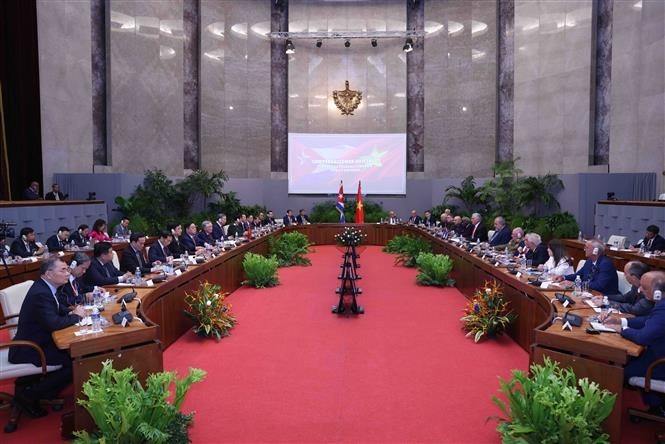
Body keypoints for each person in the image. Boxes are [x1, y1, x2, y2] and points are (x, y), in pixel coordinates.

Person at [8, 257, 85, 417]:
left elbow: (56, 308)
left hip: (40, 340)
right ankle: (28, 396)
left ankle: (42, 390)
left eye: (67, 269)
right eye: (62, 270)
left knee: (74, 355)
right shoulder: (41, 293)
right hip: (29, 347)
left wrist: (70, 311)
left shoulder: (46, 287)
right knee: (75, 362)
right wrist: (76, 317)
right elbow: (54, 323)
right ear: (48, 274)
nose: (67, 273)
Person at [603, 272, 665, 415]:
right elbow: (648, 320)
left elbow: (643, 337)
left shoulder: (663, 309)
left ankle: (657, 405)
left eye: (644, 287)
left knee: (619, 370)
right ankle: (657, 404)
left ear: (657, 293)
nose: (639, 290)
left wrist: (623, 330)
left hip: (659, 365)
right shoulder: (661, 305)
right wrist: (621, 321)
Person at [554, 239, 619, 295]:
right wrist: (563, 277)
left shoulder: (606, 264)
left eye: (587, 247)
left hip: (604, 296)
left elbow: (599, 285)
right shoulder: (589, 261)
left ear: (595, 250)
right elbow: (578, 275)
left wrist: (575, 284)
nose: (584, 249)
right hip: (588, 293)